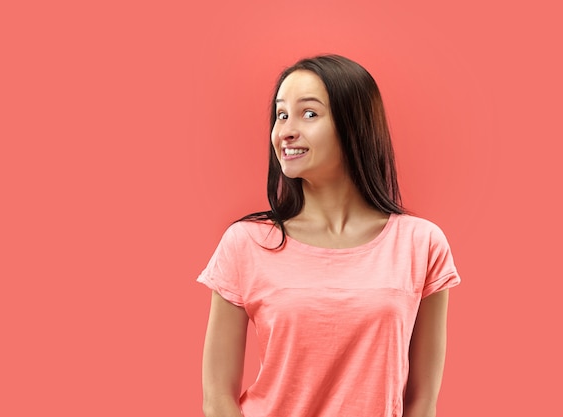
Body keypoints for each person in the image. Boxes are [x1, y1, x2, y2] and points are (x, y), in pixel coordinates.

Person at [197, 54, 460, 417]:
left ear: (354, 126)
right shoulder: (246, 243)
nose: (285, 130)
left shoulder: (420, 244)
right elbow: (217, 398)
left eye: (309, 114)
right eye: (281, 114)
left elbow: (422, 401)